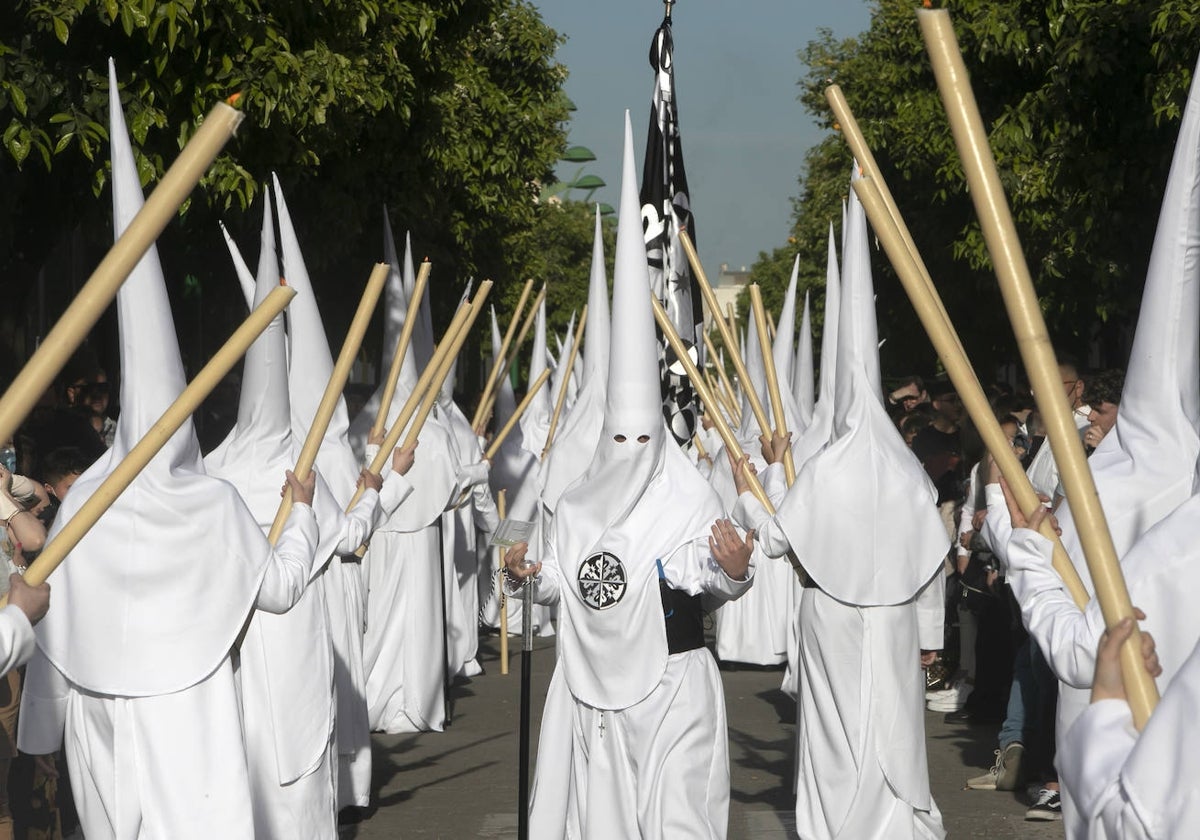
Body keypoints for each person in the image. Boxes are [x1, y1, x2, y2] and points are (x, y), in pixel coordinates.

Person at [17, 64, 325, 839]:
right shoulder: (211, 502)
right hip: (191, 733)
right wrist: (305, 515)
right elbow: (281, 591)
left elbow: (51, 624)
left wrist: (38, 745)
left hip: (98, 730)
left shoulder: (86, 497)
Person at [503, 114, 754, 839]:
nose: (634, 445)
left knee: (679, 821)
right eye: (621, 435)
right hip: (595, 696)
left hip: (676, 687)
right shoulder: (578, 502)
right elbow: (566, 580)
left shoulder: (690, 491)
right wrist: (528, 574)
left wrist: (735, 571)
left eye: (645, 434)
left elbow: (713, 566)